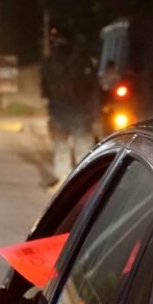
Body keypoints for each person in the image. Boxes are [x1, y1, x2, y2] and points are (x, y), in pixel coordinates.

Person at [41, 27, 99, 189]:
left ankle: (62, 180)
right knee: (83, 149)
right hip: (80, 112)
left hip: (58, 111)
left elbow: (45, 89)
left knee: (61, 148)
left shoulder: (49, 61)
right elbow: (92, 86)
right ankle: (84, 184)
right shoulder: (82, 60)